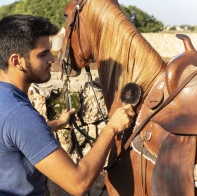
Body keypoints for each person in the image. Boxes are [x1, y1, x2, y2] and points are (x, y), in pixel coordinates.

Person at [0, 14, 135, 196]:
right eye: (43, 54)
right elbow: (78, 184)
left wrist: (58, 124)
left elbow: (13, 136)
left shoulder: (7, 103)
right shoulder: (20, 115)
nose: (52, 59)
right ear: (17, 61)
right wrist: (111, 128)